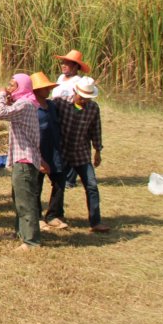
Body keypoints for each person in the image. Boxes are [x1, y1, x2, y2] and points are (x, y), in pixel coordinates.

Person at [0, 73, 50, 251]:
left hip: (24, 160)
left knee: (25, 201)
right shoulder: (27, 103)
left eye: (13, 85)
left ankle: (31, 241)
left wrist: (1, 94)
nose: (9, 88)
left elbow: (0, 113)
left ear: (22, 87)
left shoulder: (24, 104)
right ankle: (21, 232)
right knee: (19, 198)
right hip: (24, 159)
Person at [51, 77, 110, 233]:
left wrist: (98, 151)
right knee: (59, 186)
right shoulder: (60, 103)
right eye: (82, 97)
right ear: (75, 92)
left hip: (81, 152)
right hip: (63, 151)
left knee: (92, 185)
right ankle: (57, 216)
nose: (84, 101)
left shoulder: (93, 108)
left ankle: (95, 221)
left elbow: (95, 130)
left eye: (87, 98)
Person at [30, 71, 67, 231]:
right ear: (37, 90)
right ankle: (37, 217)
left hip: (54, 151)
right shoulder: (31, 107)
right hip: (38, 152)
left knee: (59, 183)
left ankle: (53, 215)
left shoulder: (52, 106)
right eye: (45, 88)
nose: (48, 90)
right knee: (36, 186)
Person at [52, 48, 90, 189]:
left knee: (72, 145)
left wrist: (76, 114)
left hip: (70, 116)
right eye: (63, 62)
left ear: (75, 67)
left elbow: (81, 102)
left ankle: (70, 179)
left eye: (67, 63)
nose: (63, 65)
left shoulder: (78, 82)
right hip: (58, 115)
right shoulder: (61, 78)